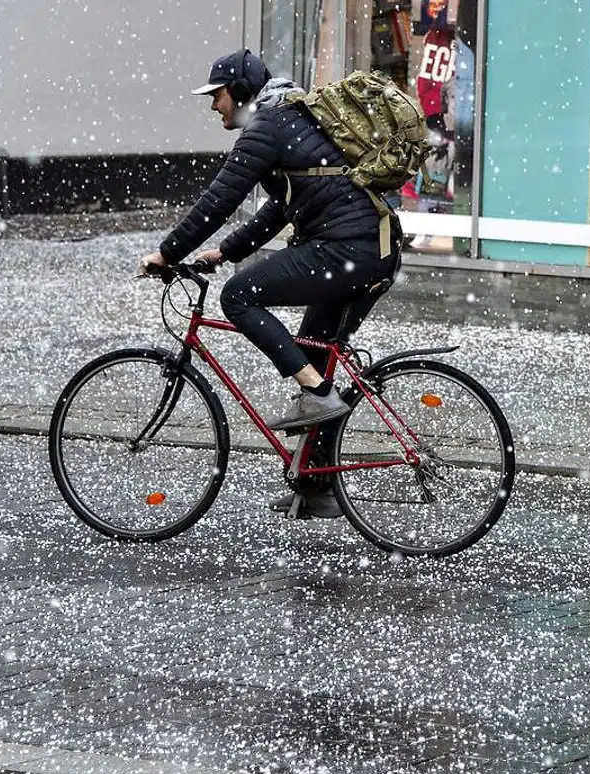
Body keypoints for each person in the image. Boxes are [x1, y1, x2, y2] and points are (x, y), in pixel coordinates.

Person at [139, 49, 402, 519]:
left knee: (238, 295)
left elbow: (218, 201)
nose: (213, 106)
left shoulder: (267, 127)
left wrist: (166, 253)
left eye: (216, 95)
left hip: (348, 251)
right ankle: (316, 485)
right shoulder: (289, 121)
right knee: (316, 352)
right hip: (370, 251)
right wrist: (229, 251)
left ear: (239, 91)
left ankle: (317, 395)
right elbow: (280, 208)